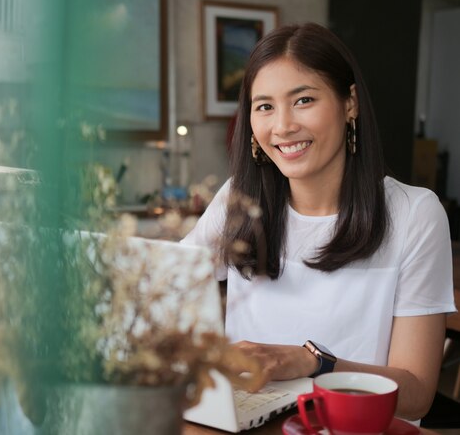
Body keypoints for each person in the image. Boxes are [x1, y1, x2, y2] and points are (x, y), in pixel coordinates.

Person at [182, 22, 456, 421]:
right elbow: (161, 285)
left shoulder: (414, 214)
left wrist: (315, 364)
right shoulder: (238, 202)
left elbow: (415, 394)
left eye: (304, 100)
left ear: (350, 104)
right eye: (265, 106)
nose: (283, 126)